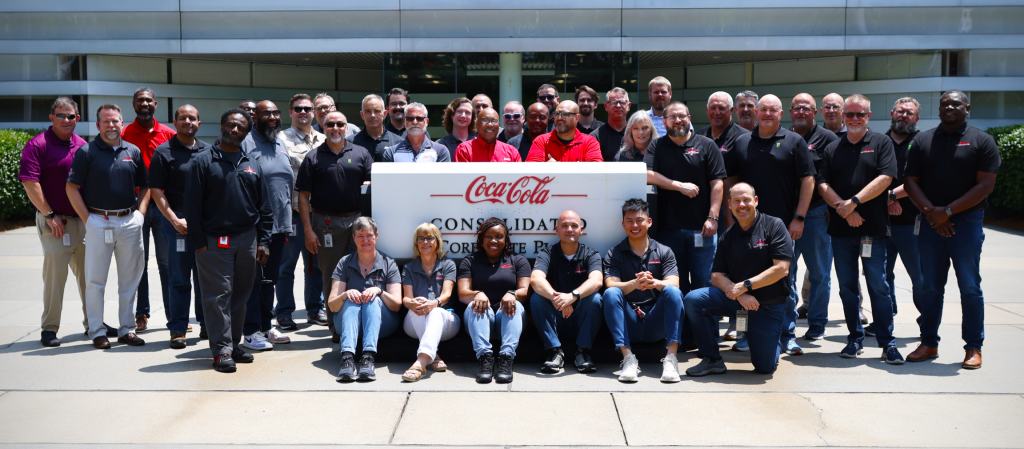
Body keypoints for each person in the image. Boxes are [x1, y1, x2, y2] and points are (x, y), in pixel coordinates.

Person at [904, 90, 1000, 370]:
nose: (949, 107)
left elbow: (985, 186)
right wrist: (933, 215)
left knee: (969, 287)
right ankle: (929, 342)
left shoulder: (982, 141)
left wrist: (947, 212)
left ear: (967, 108)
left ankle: (973, 347)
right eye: (945, 103)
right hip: (931, 223)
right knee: (931, 287)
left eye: (955, 103)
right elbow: (910, 182)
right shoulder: (923, 140)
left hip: (967, 223)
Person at [725, 94, 815, 356]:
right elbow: (729, 183)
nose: (766, 114)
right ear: (755, 112)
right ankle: (744, 335)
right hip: (745, 228)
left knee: (785, 281)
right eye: (762, 109)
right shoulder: (741, 142)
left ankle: (787, 335)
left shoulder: (795, 141)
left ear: (780, 114)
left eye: (772, 110)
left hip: (783, 228)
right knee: (743, 282)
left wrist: (799, 217)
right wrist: (731, 221)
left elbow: (808, 180)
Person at [817, 94, 902, 364]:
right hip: (842, 234)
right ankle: (854, 338)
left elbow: (886, 178)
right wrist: (844, 210)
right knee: (847, 287)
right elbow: (822, 184)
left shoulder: (881, 142)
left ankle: (887, 342)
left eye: (860, 114)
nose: (854, 119)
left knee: (878, 286)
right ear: (843, 116)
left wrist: (853, 203)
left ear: (868, 115)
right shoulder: (833, 147)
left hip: (873, 231)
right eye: (850, 114)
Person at [186, 108, 273, 372]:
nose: (235, 130)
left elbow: (264, 206)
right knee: (217, 297)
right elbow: (191, 206)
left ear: (247, 133)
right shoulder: (202, 161)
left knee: (240, 295)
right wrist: (199, 242)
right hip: (214, 242)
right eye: (231, 125)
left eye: (241, 128)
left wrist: (264, 241)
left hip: (247, 240)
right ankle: (221, 352)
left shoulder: (252, 163)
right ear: (222, 125)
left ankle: (233, 344)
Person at [19, 97, 107, 346]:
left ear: (77, 118)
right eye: (61, 115)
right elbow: (30, 183)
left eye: (71, 116)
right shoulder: (37, 145)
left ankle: (94, 324)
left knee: (90, 276)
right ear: (51, 117)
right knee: (55, 277)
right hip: (54, 222)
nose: (66, 120)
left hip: (83, 221)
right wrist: (49, 216)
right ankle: (49, 328)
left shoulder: (83, 145)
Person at [682, 183, 793, 376]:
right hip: (740, 302)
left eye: (746, 200)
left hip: (767, 306)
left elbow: (782, 269)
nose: (742, 205)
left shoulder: (774, 225)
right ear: (730, 205)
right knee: (694, 300)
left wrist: (745, 286)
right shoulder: (728, 237)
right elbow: (716, 276)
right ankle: (712, 360)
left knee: (764, 368)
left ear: (755, 201)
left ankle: (771, 338)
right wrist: (738, 294)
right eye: (736, 201)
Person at [66, 103, 149, 350]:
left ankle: (127, 330)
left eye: (115, 121)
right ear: (98, 125)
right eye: (106, 121)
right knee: (95, 280)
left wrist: (140, 216)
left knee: (130, 279)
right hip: (98, 222)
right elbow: (71, 188)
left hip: (129, 222)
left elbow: (145, 185)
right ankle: (97, 331)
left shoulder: (132, 151)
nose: (111, 125)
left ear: (122, 124)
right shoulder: (87, 152)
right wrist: (87, 219)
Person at [296, 111, 373, 344]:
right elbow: (303, 196)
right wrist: (308, 230)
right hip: (325, 223)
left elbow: (372, 183)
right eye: (330, 124)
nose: (336, 128)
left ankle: (362, 324)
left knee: (364, 273)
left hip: (358, 221)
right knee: (331, 277)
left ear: (346, 127)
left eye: (340, 124)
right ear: (323, 127)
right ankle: (336, 328)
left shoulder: (361, 153)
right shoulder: (313, 157)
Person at [645, 102, 725, 294]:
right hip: (669, 231)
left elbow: (718, 183)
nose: (678, 120)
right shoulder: (657, 146)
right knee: (674, 285)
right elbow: (647, 175)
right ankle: (681, 325)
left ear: (689, 119)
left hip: (702, 229)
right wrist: (678, 186)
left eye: (682, 116)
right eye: (672, 117)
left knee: (704, 284)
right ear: (664, 122)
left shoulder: (707, 145)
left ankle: (705, 325)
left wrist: (713, 218)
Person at [603, 198, 684, 383]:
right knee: (610, 294)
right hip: (629, 321)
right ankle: (628, 359)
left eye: (639, 220)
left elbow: (675, 283)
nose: (635, 225)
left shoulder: (664, 251)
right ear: (623, 224)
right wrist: (635, 284)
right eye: (629, 221)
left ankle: (671, 359)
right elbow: (610, 284)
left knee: (672, 291)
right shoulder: (614, 253)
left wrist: (654, 282)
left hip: (656, 322)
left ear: (649, 222)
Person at [148, 104, 210, 348]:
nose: (188, 122)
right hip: (178, 222)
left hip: (205, 224)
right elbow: (155, 190)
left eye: (192, 118)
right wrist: (174, 219)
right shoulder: (164, 152)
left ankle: (207, 324)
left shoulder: (208, 150)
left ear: (199, 123)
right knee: (180, 277)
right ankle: (178, 329)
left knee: (206, 278)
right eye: (183, 118)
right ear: (175, 123)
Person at [240, 100, 294, 351]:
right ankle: (250, 332)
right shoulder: (246, 142)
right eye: (266, 113)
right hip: (257, 227)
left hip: (280, 225)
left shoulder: (279, 142)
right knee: (252, 281)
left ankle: (264, 326)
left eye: (275, 112)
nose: (272, 117)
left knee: (268, 280)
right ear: (255, 117)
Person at [121, 86, 175, 332]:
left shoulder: (169, 134)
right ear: (133, 104)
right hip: (134, 208)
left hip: (164, 207)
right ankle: (141, 314)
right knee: (138, 262)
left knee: (167, 262)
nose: (144, 104)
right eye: (140, 100)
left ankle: (174, 313)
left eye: (149, 100)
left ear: (156, 105)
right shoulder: (123, 134)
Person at [788, 94, 839, 341]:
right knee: (785, 271)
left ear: (814, 112)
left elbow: (837, 176)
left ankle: (817, 322)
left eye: (806, 108)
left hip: (818, 214)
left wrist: (834, 207)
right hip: (786, 216)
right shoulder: (783, 137)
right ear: (789, 112)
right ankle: (786, 323)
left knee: (819, 272)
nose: (801, 112)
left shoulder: (828, 139)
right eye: (796, 108)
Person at [327, 217, 402, 382]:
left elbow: (397, 305)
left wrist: (379, 291)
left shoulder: (388, 263)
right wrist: (345, 294)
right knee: (351, 299)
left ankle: (368, 358)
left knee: (371, 299)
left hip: (382, 324)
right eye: (360, 236)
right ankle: (347, 359)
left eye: (369, 235)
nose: (365, 240)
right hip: (348, 323)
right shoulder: (344, 263)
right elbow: (332, 305)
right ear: (353, 238)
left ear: (376, 236)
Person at [457, 217, 530, 384]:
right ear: (481, 240)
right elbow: (462, 293)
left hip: (510, 320)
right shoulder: (470, 261)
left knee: (515, 304)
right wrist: (476, 294)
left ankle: (506, 359)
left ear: (506, 239)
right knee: (476, 304)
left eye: (499, 236)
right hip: (481, 323)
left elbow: (525, 291)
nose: (493, 241)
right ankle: (485, 359)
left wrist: (513, 294)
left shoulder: (518, 260)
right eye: (488, 236)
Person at [530, 211, 604, 374]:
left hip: (581, 319)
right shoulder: (547, 253)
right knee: (537, 298)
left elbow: (597, 280)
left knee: (595, 299)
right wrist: (560, 300)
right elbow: (536, 280)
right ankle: (555, 352)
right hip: (555, 319)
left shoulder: (591, 254)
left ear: (581, 230)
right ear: (557, 230)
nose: (569, 229)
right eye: (564, 226)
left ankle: (583, 352)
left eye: (574, 226)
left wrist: (572, 297)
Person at [277, 93, 326, 330]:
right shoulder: (281, 140)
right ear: (291, 113)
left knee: (315, 266)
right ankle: (284, 312)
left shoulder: (323, 139)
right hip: (292, 214)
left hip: (319, 213)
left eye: (308, 108)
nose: (303, 112)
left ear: (314, 112)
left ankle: (314, 310)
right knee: (286, 266)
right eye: (298, 108)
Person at [882, 97, 925, 325]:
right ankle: (886, 317)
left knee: (919, 277)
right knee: (882, 277)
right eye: (900, 111)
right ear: (892, 113)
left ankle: (927, 319)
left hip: (912, 225)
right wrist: (888, 201)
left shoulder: (923, 143)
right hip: (881, 224)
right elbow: (868, 176)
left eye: (910, 113)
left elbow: (921, 179)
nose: (904, 116)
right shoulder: (878, 141)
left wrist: (891, 196)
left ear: (917, 118)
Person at [399, 223, 460, 382]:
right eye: (421, 239)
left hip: (447, 321)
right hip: (414, 321)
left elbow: (446, 295)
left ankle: (421, 362)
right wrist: (413, 303)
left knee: (437, 311)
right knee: (419, 307)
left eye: (430, 238)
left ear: (437, 242)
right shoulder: (409, 267)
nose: (425, 242)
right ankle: (431, 357)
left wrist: (434, 303)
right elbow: (406, 298)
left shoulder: (448, 264)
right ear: (416, 244)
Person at [526, 101, 603, 162]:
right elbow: (531, 172)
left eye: (565, 114)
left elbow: (596, 173)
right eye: (556, 114)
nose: (559, 118)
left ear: (576, 118)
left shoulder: (590, 142)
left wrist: (557, 168)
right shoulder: (541, 141)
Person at [382, 102, 451, 162]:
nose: (415, 122)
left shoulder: (440, 151)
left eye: (419, 118)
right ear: (404, 121)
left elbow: (442, 177)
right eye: (410, 118)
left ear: (426, 122)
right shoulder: (391, 153)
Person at [454, 107, 521, 162]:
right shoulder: (464, 150)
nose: (490, 124)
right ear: (477, 124)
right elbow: (462, 178)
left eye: (494, 121)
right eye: (485, 120)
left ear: (499, 125)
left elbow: (519, 177)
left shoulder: (511, 152)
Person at [349, 94, 402, 162]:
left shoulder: (398, 143)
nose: (373, 115)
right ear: (362, 115)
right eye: (368, 111)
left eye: (377, 111)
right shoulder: (350, 143)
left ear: (385, 114)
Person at [591, 87, 631, 162]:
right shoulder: (595, 137)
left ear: (629, 106)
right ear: (606, 106)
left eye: (622, 102)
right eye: (614, 102)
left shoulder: (636, 134)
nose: (618, 106)